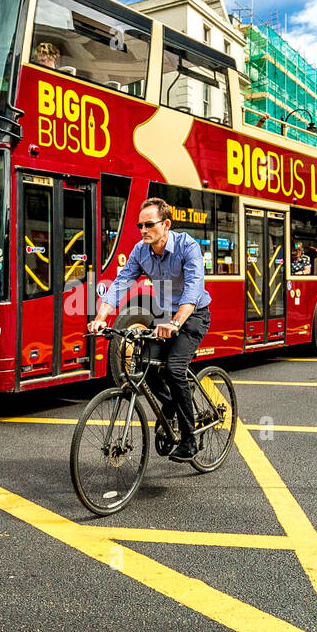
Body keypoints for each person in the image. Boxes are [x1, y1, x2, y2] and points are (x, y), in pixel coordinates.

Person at [88, 197, 212, 464]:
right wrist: (100, 317)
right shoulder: (140, 251)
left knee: (174, 368)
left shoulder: (187, 246)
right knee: (144, 363)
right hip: (165, 316)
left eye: (149, 224)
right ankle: (170, 404)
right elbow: (121, 283)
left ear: (166, 224)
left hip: (193, 316)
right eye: (139, 225)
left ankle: (189, 440)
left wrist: (176, 323)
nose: (143, 230)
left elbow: (192, 289)